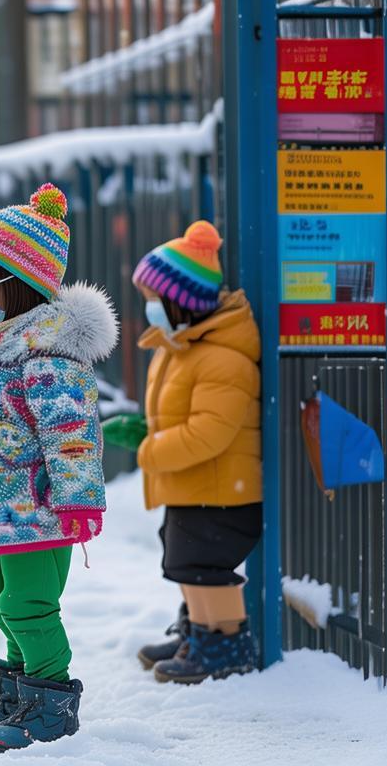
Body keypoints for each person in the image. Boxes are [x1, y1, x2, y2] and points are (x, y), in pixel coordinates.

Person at [0, 185, 117, 753]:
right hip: (4, 509)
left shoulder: (48, 352)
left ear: (15, 285)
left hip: (38, 509)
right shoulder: (0, 341)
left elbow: (72, 433)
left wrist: (79, 501)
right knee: (2, 599)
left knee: (28, 603)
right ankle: (17, 691)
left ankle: (50, 700)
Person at [129, 221, 262, 684]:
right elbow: (177, 415)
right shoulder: (183, 347)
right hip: (195, 486)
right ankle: (198, 633)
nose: (148, 308)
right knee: (184, 561)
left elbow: (210, 431)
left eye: (153, 297)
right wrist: (146, 430)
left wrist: (150, 450)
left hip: (222, 491)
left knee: (207, 568)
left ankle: (225, 643)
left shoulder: (222, 357)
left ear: (180, 301)